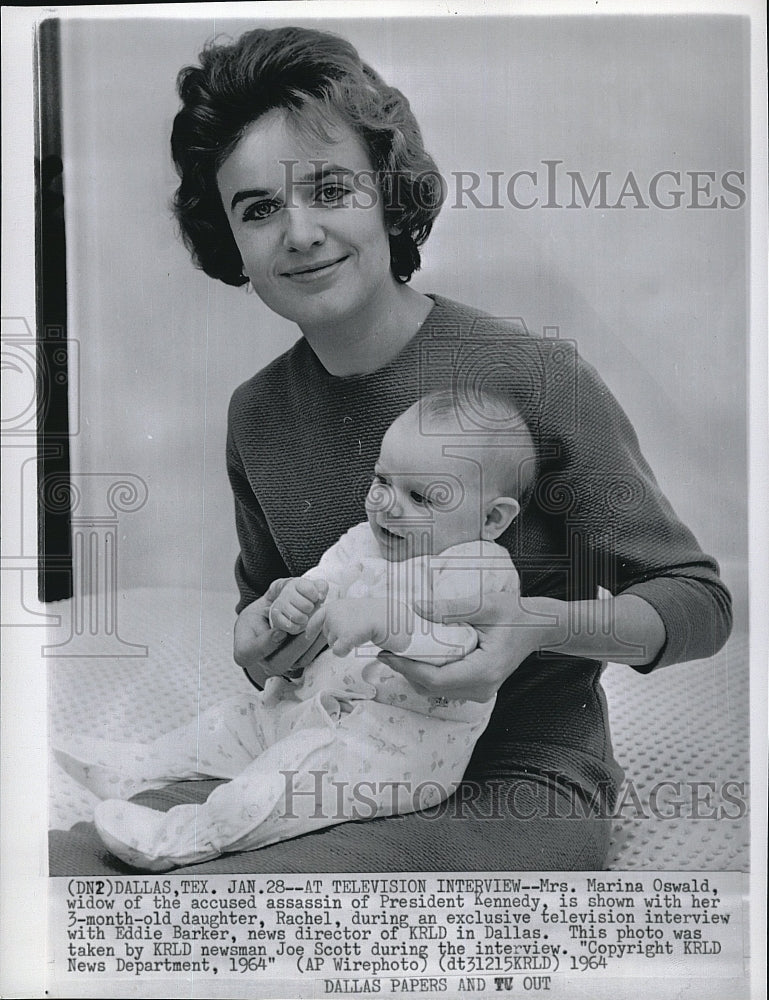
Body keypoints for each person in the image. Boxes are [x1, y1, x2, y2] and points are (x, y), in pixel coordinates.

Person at [159, 25, 731, 871]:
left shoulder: (532, 375)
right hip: (323, 756)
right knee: (76, 859)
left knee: (230, 892)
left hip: (514, 781)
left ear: (386, 193)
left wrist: (534, 625)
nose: (301, 231)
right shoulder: (257, 415)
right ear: (230, 242)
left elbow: (698, 605)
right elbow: (274, 637)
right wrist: (263, 644)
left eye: (329, 187)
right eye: (259, 208)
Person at [54, 391, 527, 871]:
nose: (385, 504)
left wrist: (386, 622)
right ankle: (139, 767)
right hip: (306, 709)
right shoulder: (362, 542)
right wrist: (289, 608)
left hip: (392, 750)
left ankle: (186, 836)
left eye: (420, 496)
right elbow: (316, 591)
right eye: (382, 480)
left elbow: (460, 648)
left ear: (492, 518)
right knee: (234, 720)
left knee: (285, 781)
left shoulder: (478, 569)